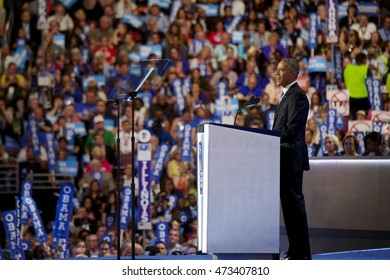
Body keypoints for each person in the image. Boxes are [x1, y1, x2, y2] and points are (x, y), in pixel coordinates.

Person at [272, 58, 311, 260]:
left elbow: (291, 128)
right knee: (288, 208)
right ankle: (295, 252)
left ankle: (302, 254)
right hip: (282, 156)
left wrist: (270, 138)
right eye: (277, 70)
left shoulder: (298, 96)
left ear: (293, 73)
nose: (277, 73)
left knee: (294, 207)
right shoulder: (286, 95)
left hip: (290, 158)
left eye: (281, 70)